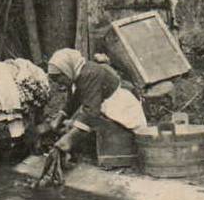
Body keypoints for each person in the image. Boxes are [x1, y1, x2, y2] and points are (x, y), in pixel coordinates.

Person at [36, 48, 147, 187]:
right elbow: (75, 100)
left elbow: (91, 112)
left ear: (66, 70)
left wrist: (68, 140)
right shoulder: (79, 73)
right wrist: (59, 118)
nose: (58, 83)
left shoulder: (90, 74)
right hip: (104, 105)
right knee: (72, 125)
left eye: (58, 77)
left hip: (120, 108)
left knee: (78, 128)